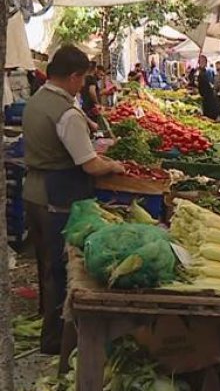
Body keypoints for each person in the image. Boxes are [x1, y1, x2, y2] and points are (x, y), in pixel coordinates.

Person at [23, 45, 126, 354]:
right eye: (81, 79)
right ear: (73, 77)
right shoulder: (66, 112)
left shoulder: (37, 100)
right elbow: (90, 164)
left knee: (45, 264)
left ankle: (48, 320)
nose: (82, 85)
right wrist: (113, 165)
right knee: (61, 267)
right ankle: (55, 338)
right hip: (58, 196)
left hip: (34, 191)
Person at [191, 55, 220, 120]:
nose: (205, 63)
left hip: (206, 95)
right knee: (209, 112)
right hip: (204, 96)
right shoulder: (198, 72)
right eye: (203, 62)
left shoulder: (203, 71)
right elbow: (196, 83)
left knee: (210, 112)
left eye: (205, 62)